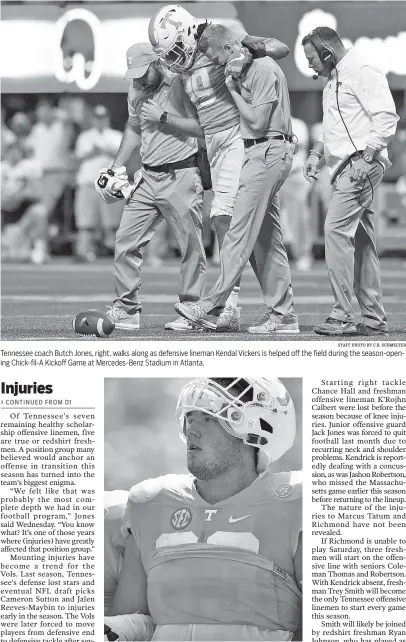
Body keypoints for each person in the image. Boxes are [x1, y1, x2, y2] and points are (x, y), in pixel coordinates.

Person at [107, 377, 302, 641]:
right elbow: (124, 623)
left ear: (252, 430)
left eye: (209, 418)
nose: (191, 431)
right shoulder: (151, 502)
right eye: (190, 417)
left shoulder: (294, 503)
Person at [147, 4, 290, 332]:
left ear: (186, 34)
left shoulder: (220, 39)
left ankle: (227, 305)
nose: (172, 60)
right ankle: (261, 308)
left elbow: (279, 48)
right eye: (166, 55)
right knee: (247, 228)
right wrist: (168, 121)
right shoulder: (182, 75)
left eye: (174, 50)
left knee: (224, 217)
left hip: (240, 138)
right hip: (214, 144)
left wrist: (250, 50)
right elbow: (200, 125)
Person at [96, 42, 206, 332]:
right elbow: (134, 128)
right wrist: (116, 167)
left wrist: (164, 117)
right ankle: (127, 308)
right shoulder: (136, 89)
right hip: (147, 177)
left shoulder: (181, 84)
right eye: (133, 73)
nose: (138, 79)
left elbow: (204, 128)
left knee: (190, 246)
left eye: (143, 72)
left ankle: (192, 308)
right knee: (125, 240)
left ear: (158, 62)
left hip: (180, 174)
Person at [302, 27, 399, 336]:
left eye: (312, 58)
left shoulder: (362, 70)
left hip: (360, 164)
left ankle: (342, 314)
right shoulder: (333, 78)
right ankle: (373, 320)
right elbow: (332, 125)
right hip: (347, 164)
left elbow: (386, 116)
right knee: (362, 244)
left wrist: (367, 157)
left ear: (328, 53)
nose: (310, 66)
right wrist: (317, 153)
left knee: (334, 231)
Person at [74, 105, 123, 262]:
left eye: (102, 118)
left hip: (110, 185)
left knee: (113, 224)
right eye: (97, 118)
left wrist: (101, 150)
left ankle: (119, 255)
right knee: (85, 222)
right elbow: (79, 157)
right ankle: (83, 251)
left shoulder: (117, 135)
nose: (100, 121)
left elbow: (122, 155)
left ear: (107, 119)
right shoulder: (84, 136)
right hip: (88, 183)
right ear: (93, 119)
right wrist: (101, 151)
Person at [1, 140, 48, 264]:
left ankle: (40, 249)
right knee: (13, 256)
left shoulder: (28, 167)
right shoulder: (2, 168)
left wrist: (20, 195)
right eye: (12, 151)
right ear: (6, 152)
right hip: (5, 216)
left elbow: (38, 193)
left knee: (40, 211)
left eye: (18, 151)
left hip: (22, 217)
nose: (14, 154)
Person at [27, 99, 73, 221]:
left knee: (46, 208)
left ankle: (42, 234)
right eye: (40, 112)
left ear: (52, 111)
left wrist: (57, 113)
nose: (42, 114)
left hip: (56, 173)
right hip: (39, 174)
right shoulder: (37, 129)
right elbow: (29, 150)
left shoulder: (61, 126)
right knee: (40, 207)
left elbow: (69, 123)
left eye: (45, 111)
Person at [279, 117, 313, 271]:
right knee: (264, 217)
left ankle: (303, 254)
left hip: (295, 175)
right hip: (272, 176)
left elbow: (295, 147)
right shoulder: (264, 120)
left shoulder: (297, 124)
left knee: (299, 217)